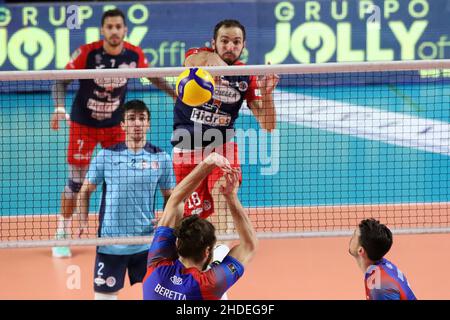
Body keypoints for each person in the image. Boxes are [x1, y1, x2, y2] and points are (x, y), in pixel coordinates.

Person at [51, 8, 176, 258]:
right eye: (110, 27)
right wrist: (58, 107)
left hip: (116, 127)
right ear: (103, 30)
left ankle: (118, 229)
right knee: (76, 182)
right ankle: (62, 232)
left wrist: (175, 95)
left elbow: (152, 77)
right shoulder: (88, 53)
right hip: (83, 124)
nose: (114, 31)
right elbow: (60, 80)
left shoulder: (133, 54)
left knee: (121, 178)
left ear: (125, 30)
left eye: (119, 27)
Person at [171, 19, 279, 235]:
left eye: (236, 42)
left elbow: (268, 125)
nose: (231, 47)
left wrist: (267, 95)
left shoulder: (246, 75)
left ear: (244, 45)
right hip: (186, 149)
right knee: (189, 224)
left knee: (223, 198)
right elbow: (193, 59)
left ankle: (219, 255)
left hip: (221, 147)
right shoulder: (200, 57)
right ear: (214, 42)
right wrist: (214, 61)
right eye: (225, 41)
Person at [76, 100, 176, 300]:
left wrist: (166, 219)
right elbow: (85, 191)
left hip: (147, 243)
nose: (137, 123)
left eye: (142, 119)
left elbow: (170, 196)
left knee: (160, 296)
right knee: (104, 297)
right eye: (131, 118)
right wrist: (82, 219)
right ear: (122, 125)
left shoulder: (161, 158)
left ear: (148, 124)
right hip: (111, 243)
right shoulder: (106, 156)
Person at [142, 152, 257, 300]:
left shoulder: (157, 267)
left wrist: (207, 164)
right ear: (207, 252)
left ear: (177, 243)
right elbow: (249, 245)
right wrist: (231, 197)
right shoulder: (209, 284)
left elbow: (175, 201)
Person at [348, 218, 417, 300]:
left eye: (354, 236)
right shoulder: (380, 268)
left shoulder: (379, 287)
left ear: (360, 250)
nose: (351, 238)